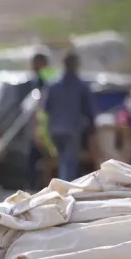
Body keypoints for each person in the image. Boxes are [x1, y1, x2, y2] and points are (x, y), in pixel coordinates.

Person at [42, 51, 97, 182]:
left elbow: (45, 107)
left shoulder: (52, 85)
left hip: (54, 129)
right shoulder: (81, 86)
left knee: (62, 159)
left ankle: (63, 185)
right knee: (69, 162)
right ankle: (66, 189)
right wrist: (92, 128)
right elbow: (89, 110)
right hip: (72, 129)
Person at [25, 51, 54, 189]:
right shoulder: (38, 80)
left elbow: (41, 108)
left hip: (41, 126)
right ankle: (34, 185)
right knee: (35, 158)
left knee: (40, 158)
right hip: (39, 126)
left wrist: (38, 129)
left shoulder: (44, 81)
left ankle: (37, 186)